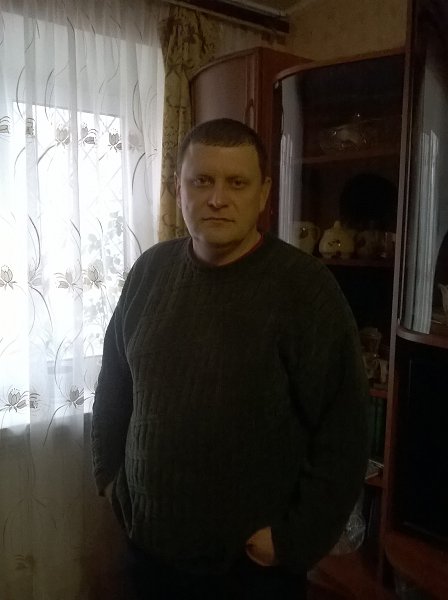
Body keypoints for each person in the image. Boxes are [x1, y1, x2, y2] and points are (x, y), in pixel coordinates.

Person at [91, 118, 369, 599]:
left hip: (250, 570)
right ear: (178, 189)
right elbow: (114, 383)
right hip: (149, 552)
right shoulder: (149, 272)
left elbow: (345, 431)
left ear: (263, 194)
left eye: (236, 183)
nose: (218, 198)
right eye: (202, 180)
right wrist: (111, 476)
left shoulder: (306, 290)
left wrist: (294, 539)